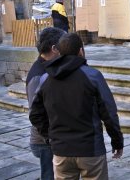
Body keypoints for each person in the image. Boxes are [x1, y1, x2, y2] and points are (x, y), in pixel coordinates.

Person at [29, 33, 123, 179]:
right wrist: (117, 141)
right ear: (80, 51)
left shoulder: (46, 78)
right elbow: (109, 113)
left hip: (61, 151)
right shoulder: (93, 76)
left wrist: (51, 136)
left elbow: (35, 114)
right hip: (90, 149)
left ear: (59, 51)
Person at [26, 27, 66, 180]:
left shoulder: (50, 68)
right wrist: (51, 138)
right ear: (54, 48)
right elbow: (36, 114)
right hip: (45, 141)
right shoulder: (39, 75)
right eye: (64, 44)